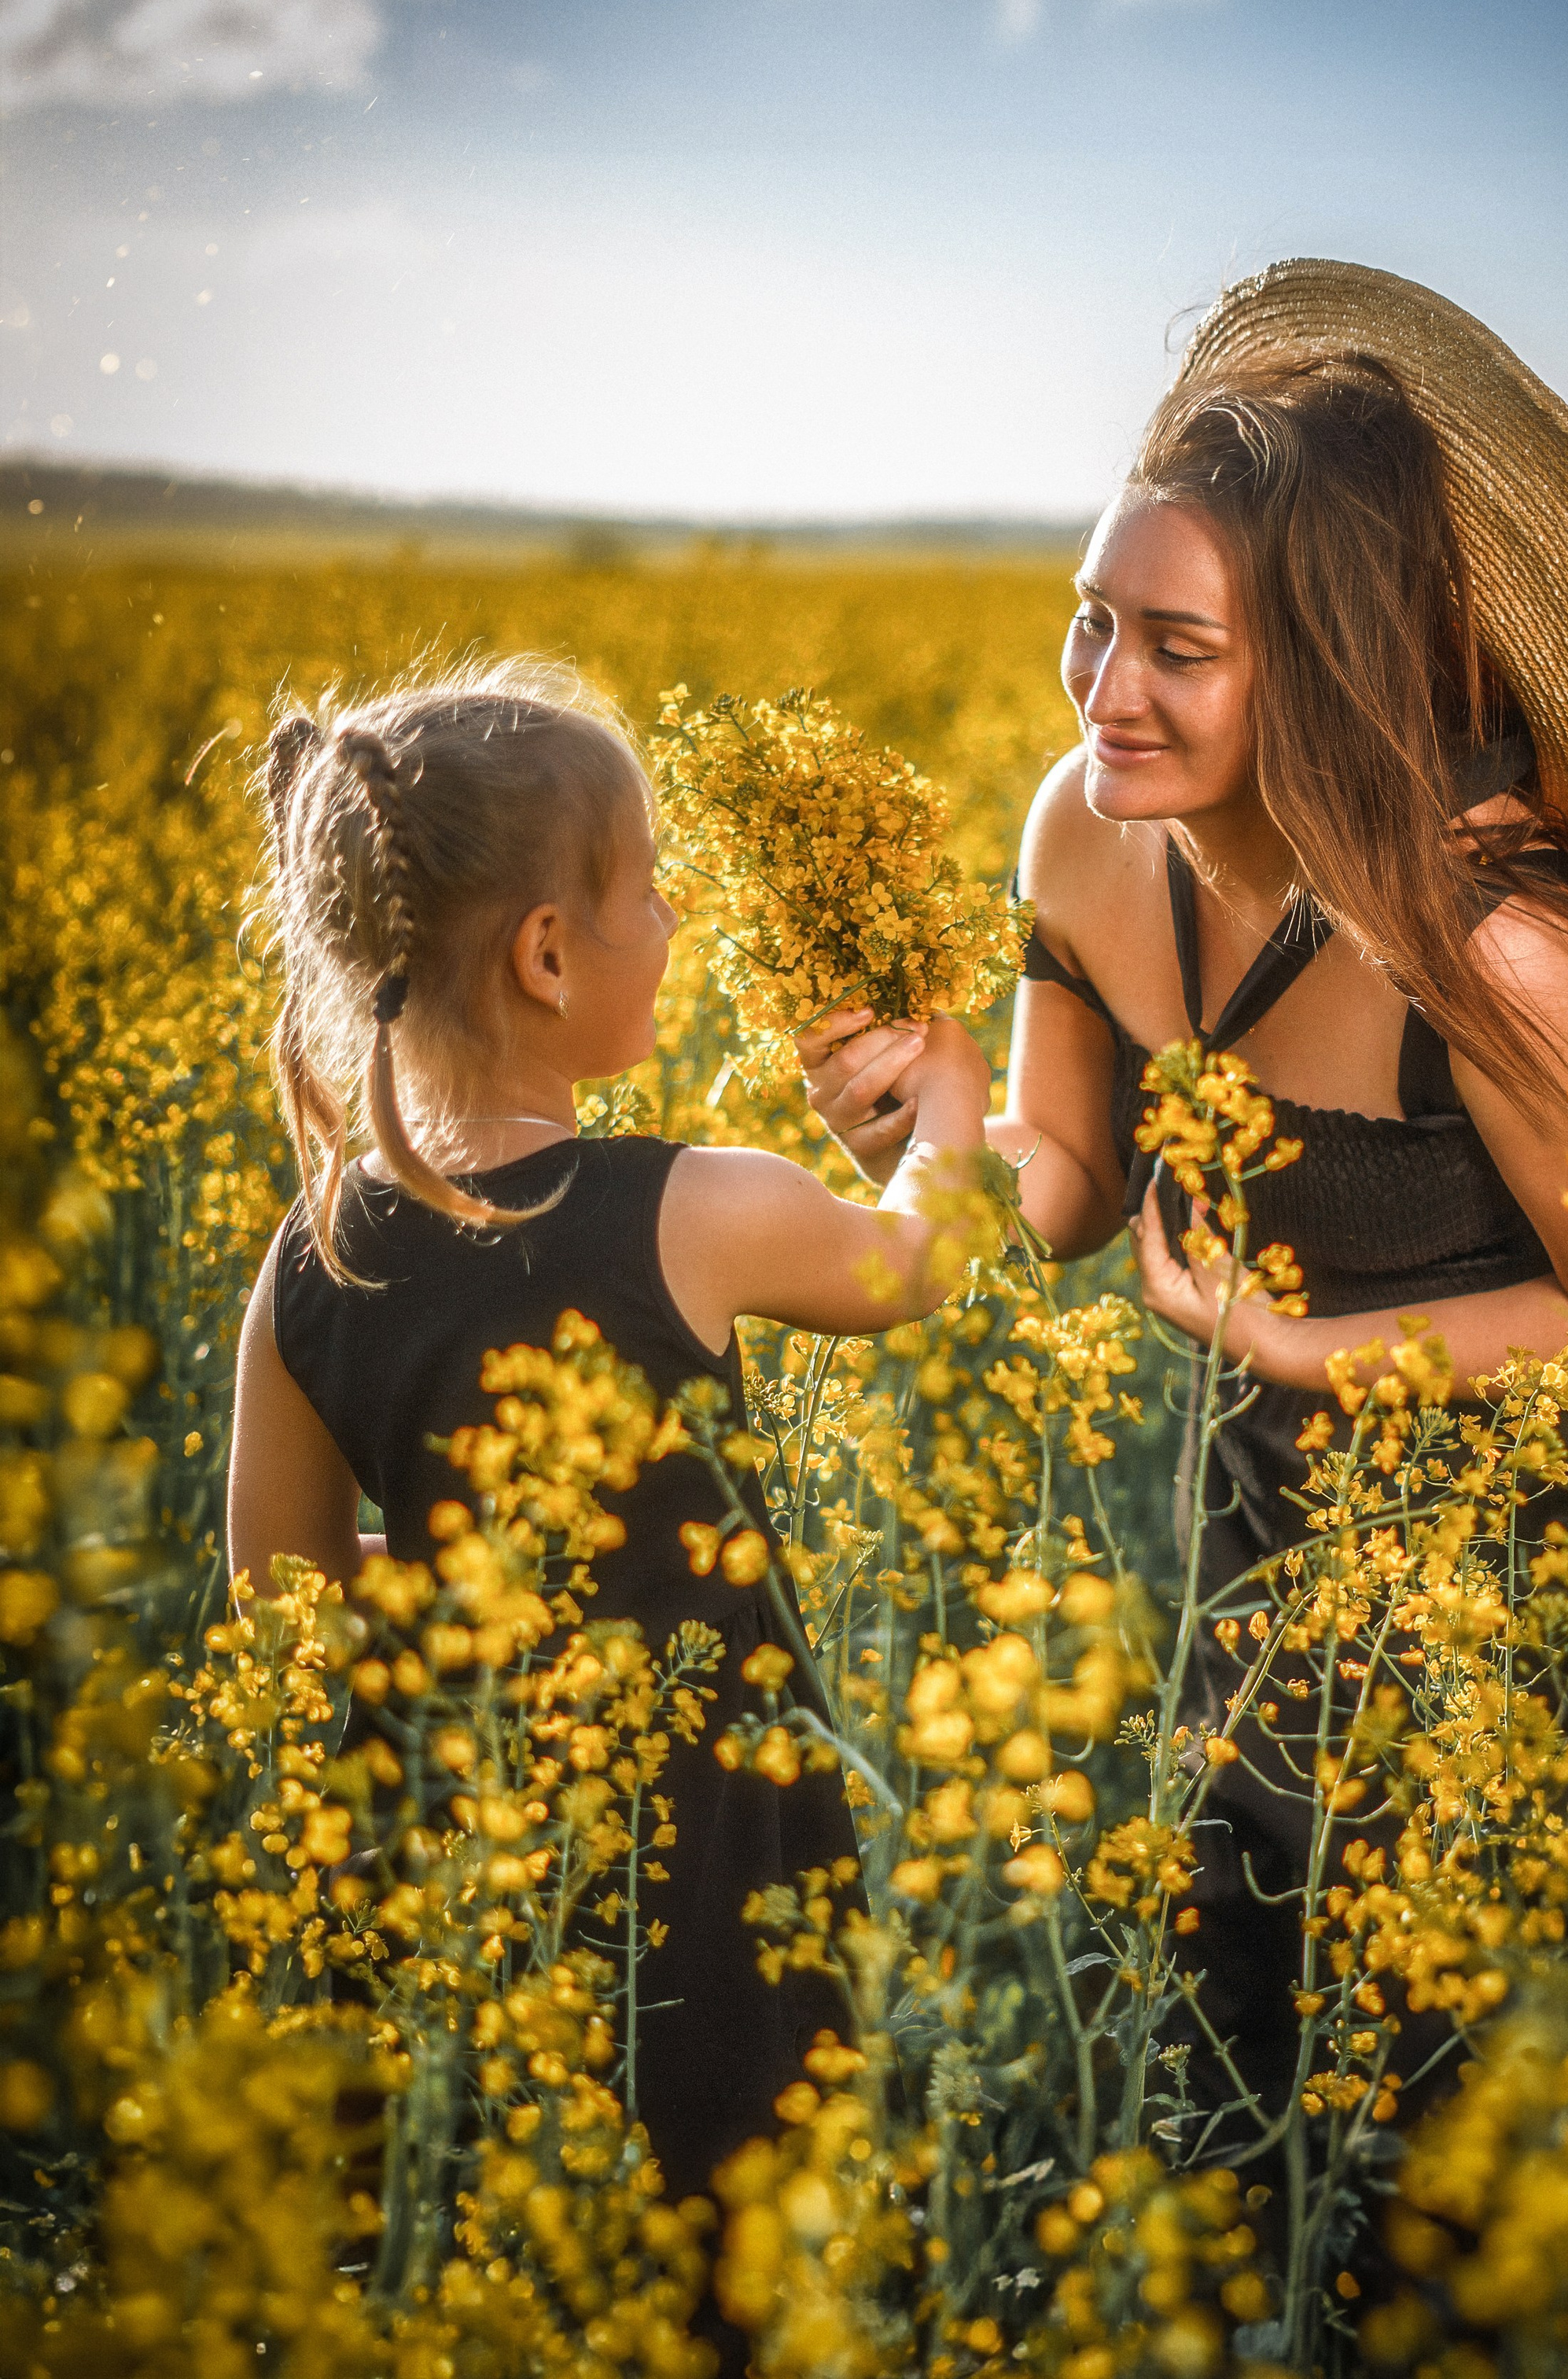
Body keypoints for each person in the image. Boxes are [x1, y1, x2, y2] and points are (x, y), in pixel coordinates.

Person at [801, 261, 1568, 2146]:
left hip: (1527, 1561)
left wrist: (1294, 1344)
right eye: (1087, 624)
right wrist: (921, 1130)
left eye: (1175, 647)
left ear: (1318, 662)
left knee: (1470, 2100)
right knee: (1245, 2051)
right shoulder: (1081, 831)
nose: (1105, 690)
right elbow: (1075, 1186)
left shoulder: (1487, 947)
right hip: (1270, 1522)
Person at [226, 654, 993, 2211]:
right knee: (718, 2201)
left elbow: (285, 1599)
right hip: (702, 1856)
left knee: (487, 2208)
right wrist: (954, 1096)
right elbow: (916, 1262)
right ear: (549, 955)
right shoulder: (692, 1206)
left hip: (454, 1848)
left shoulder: (308, 1257)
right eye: (650, 891)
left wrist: (460, 1574)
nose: (677, 921)